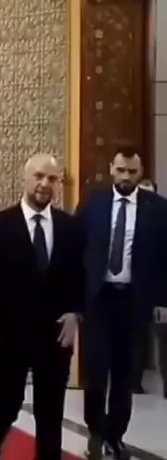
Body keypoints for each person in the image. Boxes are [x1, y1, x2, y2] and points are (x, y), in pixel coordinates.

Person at [0, 153, 83, 460]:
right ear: (25, 179)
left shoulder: (70, 227)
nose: (45, 184)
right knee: (4, 407)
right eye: (39, 176)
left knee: (51, 412)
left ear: (59, 184)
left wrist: (75, 313)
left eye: (52, 178)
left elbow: (78, 276)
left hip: (55, 336)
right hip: (9, 336)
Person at [78, 147, 167, 460]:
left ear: (140, 173)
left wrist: (162, 300)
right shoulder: (93, 204)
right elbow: (76, 249)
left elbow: (165, 258)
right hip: (98, 300)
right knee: (95, 373)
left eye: (132, 171)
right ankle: (95, 432)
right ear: (111, 169)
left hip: (133, 302)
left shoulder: (158, 208)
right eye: (121, 170)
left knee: (124, 375)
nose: (126, 177)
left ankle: (115, 437)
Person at [137, 179, 167, 399]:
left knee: (163, 340)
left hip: (158, 293)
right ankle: (133, 381)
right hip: (134, 293)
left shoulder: (161, 219)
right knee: (136, 339)